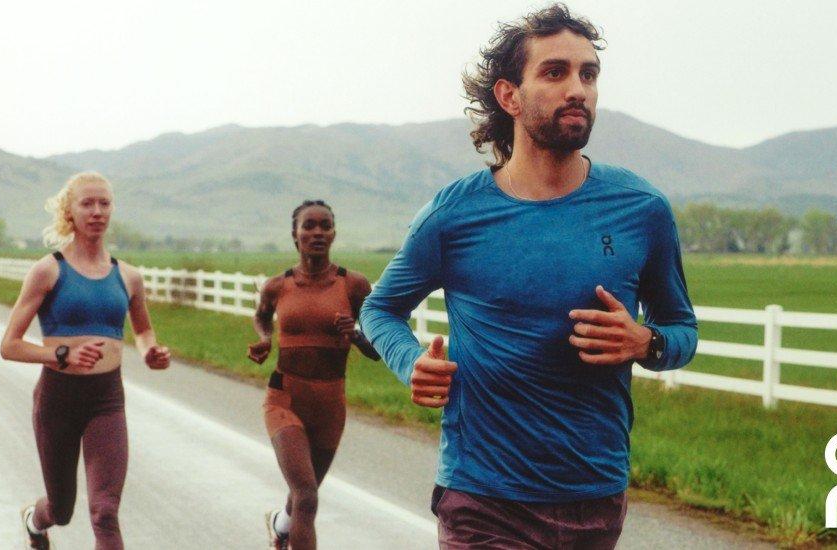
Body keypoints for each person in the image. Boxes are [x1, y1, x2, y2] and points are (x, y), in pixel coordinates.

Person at [360, 4, 698, 549]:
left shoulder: (641, 208)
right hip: (482, 497)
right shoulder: (455, 214)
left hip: (594, 494)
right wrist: (410, 362)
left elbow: (683, 330)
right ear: (509, 96)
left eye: (589, 74)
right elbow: (378, 309)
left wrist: (647, 341)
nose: (578, 89)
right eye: (555, 72)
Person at [0, 172, 171, 550]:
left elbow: (143, 331)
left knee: (105, 512)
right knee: (61, 510)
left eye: (104, 203)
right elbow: (9, 345)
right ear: (70, 212)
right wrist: (61, 355)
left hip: (106, 400)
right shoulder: (48, 270)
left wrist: (151, 352)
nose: (97, 211)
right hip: (57, 400)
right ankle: (35, 520)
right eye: (87, 203)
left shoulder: (128, 276)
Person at [247, 200, 380, 550]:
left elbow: (377, 349)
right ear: (295, 235)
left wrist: (354, 334)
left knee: (303, 494)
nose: (317, 232)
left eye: (325, 225)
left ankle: (279, 525)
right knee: (306, 495)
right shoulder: (278, 286)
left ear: (334, 233)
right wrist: (264, 338)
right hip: (284, 400)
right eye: (309, 226)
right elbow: (262, 316)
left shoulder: (353, 285)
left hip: (330, 405)